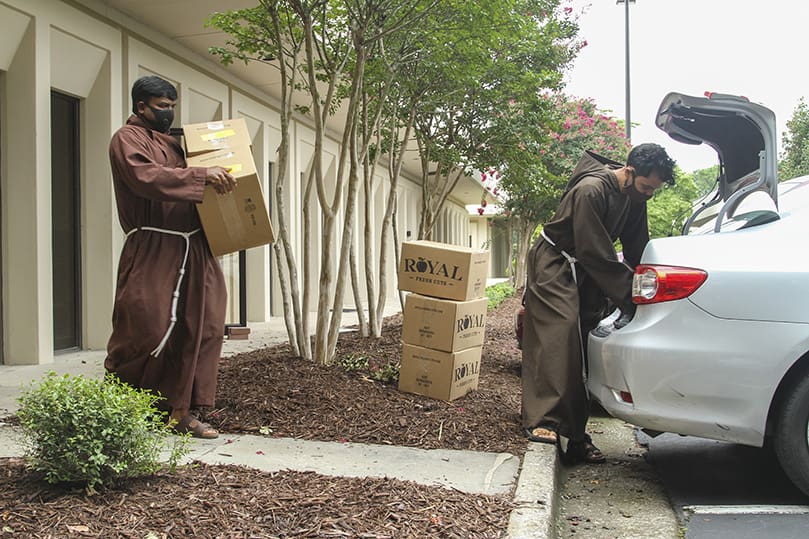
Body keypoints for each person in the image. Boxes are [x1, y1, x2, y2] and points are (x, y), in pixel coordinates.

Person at [521, 143, 676, 463]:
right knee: (561, 337)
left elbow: (637, 247)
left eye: (654, 190)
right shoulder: (592, 189)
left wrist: (647, 285)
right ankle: (545, 420)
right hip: (555, 263)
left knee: (588, 343)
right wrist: (629, 297)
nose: (649, 194)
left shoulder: (635, 198)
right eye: (647, 187)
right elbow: (595, 251)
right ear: (629, 172)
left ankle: (577, 435)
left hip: (585, 269)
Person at [105, 75, 237, 438]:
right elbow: (144, 177)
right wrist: (200, 175)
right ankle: (124, 404)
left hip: (195, 245)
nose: (168, 112)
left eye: (172, 106)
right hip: (153, 245)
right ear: (141, 106)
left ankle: (181, 412)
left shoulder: (182, 146)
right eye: (162, 106)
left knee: (204, 326)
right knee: (145, 324)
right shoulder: (127, 139)